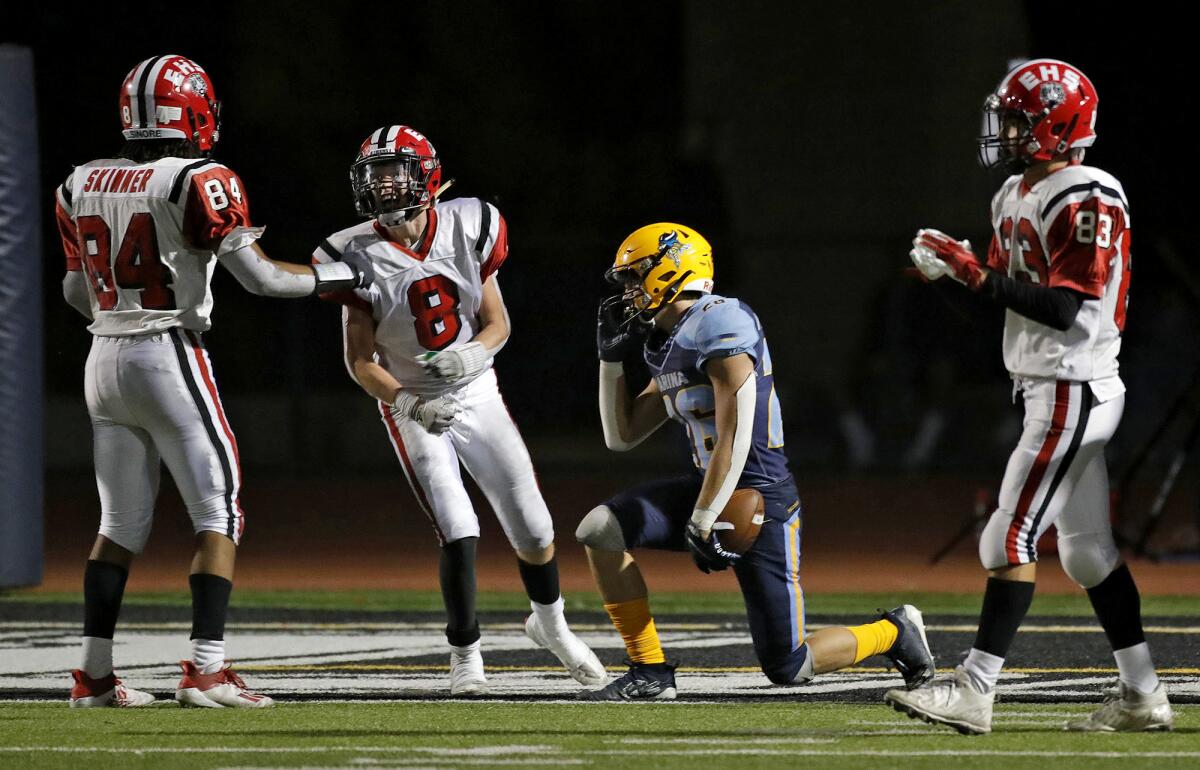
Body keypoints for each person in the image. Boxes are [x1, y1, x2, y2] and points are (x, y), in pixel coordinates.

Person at [56, 55, 371, 708]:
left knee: (118, 523)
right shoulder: (199, 177)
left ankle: (93, 676)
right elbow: (263, 279)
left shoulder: (78, 181)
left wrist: (123, 315)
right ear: (191, 113)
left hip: (101, 356)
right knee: (218, 513)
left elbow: (73, 289)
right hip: (168, 351)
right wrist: (347, 278)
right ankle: (206, 668)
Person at [886, 58, 1172, 734]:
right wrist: (956, 279)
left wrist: (975, 276)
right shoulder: (1014, 193)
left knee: (1007, 534)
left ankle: (976, 689)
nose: (1008, 132)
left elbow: (1069, 309)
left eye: (1020, 120)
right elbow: (1007, 308)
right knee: (1085, 552)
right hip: (1049, 384)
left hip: (1074, 383)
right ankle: (1145, 694)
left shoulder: (1085, 192)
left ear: (1057, 123)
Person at [575, 223, 935, 700]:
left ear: (671, 268)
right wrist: (609, 360)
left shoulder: (722, 319)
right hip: (711, 485)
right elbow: (620, 436)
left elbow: (736, 431)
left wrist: (703, 518)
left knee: (789, 665)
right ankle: (650, 672)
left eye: (634, 276)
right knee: (600, 529)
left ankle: (894, 632)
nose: (627, 290)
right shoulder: (664, 341)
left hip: (758, 495)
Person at [314, 124, 605, 696]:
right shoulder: (350, 250)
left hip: (476, 390)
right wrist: (408, 403)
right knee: (457, 524)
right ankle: (465, 655)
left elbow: (498, 323)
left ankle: (551, 626)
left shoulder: (471, 223)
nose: (385, 189)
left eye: (395, 176)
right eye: (376, 178)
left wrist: (472, 354)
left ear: (425, 178)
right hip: (410, 402)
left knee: (535, 525)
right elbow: (359, 360)